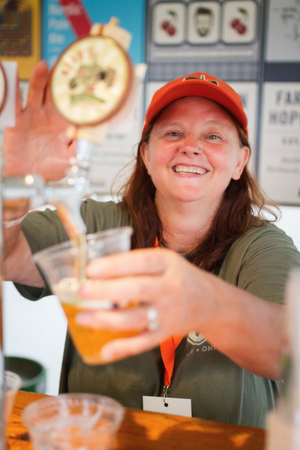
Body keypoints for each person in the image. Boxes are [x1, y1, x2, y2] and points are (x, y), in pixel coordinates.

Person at [3, 62, 300, 428]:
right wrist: (10, 187)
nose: (190, 147)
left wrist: (202, 299)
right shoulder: (92, 226)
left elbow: (287, 348)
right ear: (145, 155)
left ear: (240, 161)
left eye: (213, 136)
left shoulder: (263, 246)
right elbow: (8, 256)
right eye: (173, 133)